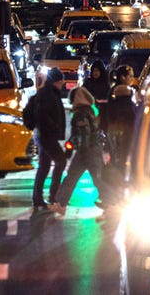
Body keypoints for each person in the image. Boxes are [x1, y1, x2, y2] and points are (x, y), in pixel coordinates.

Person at [49, 87, 115, 219]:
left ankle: (112, 203)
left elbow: (83, 134)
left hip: (87, 150)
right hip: (91, 149)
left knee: (76, 177)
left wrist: (80, 150)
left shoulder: (80, 113)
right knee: (85, 177)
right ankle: (61, 204)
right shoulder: (90, 111)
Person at [31, 67, 67, 211]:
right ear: (56, 81)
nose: (62, 83)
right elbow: (43, 115)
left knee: (45, 166)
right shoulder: (48, 94)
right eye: (61, 81)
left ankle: (38, 198)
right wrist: (54, 128)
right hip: (47, 135)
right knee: (61, 161)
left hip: (44, 134)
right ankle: (53, 196)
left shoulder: (50, 92)